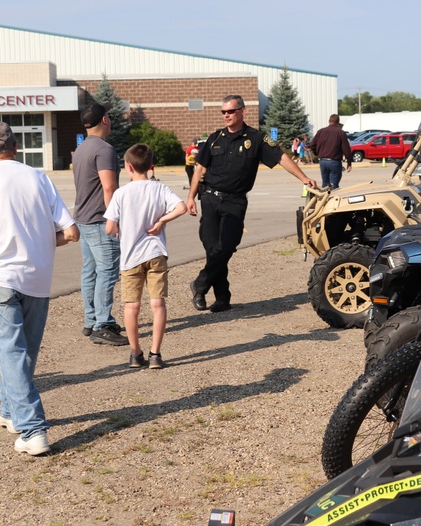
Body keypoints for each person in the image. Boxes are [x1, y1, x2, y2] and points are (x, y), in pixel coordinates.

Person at [0, 121, 79, 456]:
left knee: (10, 350)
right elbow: (70, 232)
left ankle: (33, 427)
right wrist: (38, 244)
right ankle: (9, 410)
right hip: (37, 275)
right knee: (25, 351)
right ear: (16, 147)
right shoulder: (38, 177)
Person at [187, 95, 317, 312]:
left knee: (226, 246)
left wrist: (303, 178)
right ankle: (222, 298)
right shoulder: (215, 138)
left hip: (234, 201)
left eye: (230, 111)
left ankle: (200, 284)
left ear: (242, 111)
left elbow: (280, 157)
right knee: (212, 249)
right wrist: (191, 197)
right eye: (223, 112)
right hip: (209, 197)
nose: (226, 115)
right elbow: (199, 168)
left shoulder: (257, 138)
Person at [105, 144, 187, 369]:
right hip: (156, 252)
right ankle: (155, 354)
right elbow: (181, 207)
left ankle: (135, 353)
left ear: (128, 167)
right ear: (151, 167)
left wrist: (121, 226)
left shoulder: (121, 193)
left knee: (132, 307)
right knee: (157, 304)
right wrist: (161, 221)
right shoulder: (160, 189)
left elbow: (110, 228)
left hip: (131, 257)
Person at [72, 103, 126, 346]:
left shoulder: (81, 148)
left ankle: (91, 319)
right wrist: (113, 218)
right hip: (99, 219)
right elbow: (109, 186)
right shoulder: (104, 150)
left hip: (83, 218)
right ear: (105, 120)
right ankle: (102, 325)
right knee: (107, 272)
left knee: (90, 271)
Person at [309, 114, 353, 190]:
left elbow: (312, 144)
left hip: (323, 161)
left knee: (325, 185)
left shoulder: (321, 131)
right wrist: (349, 162)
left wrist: (318, 153)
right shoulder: (340, 133)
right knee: (334, 186)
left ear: (329, 121)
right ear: (338, 122)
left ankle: (324, 200)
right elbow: (346, 149)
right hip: (334, 162)